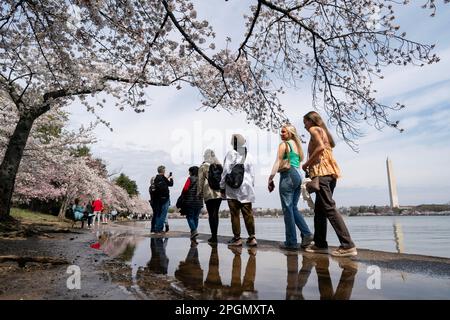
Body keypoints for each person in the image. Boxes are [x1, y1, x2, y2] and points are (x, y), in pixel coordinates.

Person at [302, 111, 357, 257]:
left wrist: (306, 164)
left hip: (322, 174)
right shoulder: (324, 132)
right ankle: (320, 244)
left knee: (329, 208)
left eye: (305, 122)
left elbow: (320, 148)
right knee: (320, 211)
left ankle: (348, 245)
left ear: (311, 121)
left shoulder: (314, 130)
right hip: (330, 174)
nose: (304, 125)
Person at [268, 124, 314, 251]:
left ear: (290, 133)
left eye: (283, 132)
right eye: (280, 132)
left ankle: (291, 242)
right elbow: (298, 164)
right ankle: (307, 234)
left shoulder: (284, 145)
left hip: (288, 176)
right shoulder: (297, 146)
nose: (281, 134)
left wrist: (270, 178)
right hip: (298, 175)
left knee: (287, 209)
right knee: (293, 207)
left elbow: (278, 161)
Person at [220, 134, 257, 247]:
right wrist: (251, 186)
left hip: (233, 189)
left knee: (235, 214)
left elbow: (225, 171)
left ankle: (237, 239)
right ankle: (252, 238)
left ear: (233, 143)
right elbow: (252, 174)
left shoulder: (231, 154)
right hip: (247, 189)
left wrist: (222, 186)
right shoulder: (249, 156)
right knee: (248, 214)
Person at [197, 149, 223, 244]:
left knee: (211, 215)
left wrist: (199, 193)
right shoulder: (219, 166)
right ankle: (215, 235)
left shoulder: (203, 166)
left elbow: (200, 181)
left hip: (208, 193)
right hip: (218, 193)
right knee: (215, 214)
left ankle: (213, 236)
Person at [180, 166, 203, 242]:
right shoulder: (201, 179)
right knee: (196, 217)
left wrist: (182, 196)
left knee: (189, 217)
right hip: (199, 202)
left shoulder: (190, 178)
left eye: (189, 171)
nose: (189, 173)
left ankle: (194, 230)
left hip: (190, 201)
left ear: (192, 172)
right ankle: (193, 233)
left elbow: (185, 189)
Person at [149, 165, 174, 234]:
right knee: (163, 214)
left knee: (158, 214)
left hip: (157, 199)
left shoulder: (156, 178)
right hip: (165, 198)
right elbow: (170, 184)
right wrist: (171, 178)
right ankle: (159, 229)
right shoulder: (163, 177)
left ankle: (155, 229)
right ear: (164, 171)